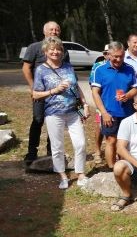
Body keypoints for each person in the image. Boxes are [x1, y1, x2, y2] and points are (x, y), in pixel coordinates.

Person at [32, 37, 89, 189]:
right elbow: (35, 94)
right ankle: (62, 175)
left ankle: (80, 173)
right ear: (46, 51)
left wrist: (84, 104)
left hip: (73, 112)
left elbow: (76, 88)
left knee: (81, 143)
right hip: (53, 113)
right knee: (57, 147)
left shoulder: (68, 67)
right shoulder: (40, 70)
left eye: (59, 49)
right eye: (52, 49)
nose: (56, 52)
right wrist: (54, 91)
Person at [22, 21, 70, 165]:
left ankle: (51, 152)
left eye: (57, 30)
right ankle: (31, 153)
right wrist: (33, 88)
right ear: (44, 32)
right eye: (51, 29)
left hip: (57, 94)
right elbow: (26, 69)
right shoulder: (34, 48)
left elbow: (65, 70)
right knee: (37, 120)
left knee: (54, 121)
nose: (54, 32)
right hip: (40, 93)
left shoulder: (63, 50)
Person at [91, 41, 137, 169]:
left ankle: (125, 166)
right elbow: (95, 93)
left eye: (121, 56)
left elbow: (135, 88)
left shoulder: (130, 69)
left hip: (128, 113)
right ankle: (112, 168)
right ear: (109, 55)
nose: (119, 59)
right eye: (115, 57)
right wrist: (104, 113)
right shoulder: (99, 69)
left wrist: (128, 96)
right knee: (111, 141)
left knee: (124, 142)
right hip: (109, 112)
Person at [89, 45, 110, 164]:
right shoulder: (97, 66)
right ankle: (97, 150)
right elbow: (93, 85)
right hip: (101, 103)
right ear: (104, 54)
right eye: (106, 53)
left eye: (110, 53)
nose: (108, 56)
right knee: (99, 126)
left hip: (115, 102)